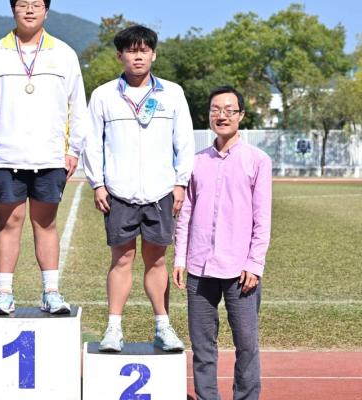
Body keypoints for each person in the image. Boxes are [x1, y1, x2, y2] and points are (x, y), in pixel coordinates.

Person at [0, 0, 86, 315]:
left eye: (37, 4)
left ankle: (51, 292)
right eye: (23, 4)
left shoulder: (64, 54)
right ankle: (4, 293)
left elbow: (77, 105)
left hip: (49, 156)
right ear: (13, 10)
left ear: (47, 11)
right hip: (5, 155)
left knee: (45, 223)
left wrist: (72, 149)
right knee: (9, 222)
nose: (30, 10)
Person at [83, 25, 194, 352]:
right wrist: (98, 183)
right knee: (121, 260)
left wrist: (180, 181)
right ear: (120, 55)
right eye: (131, 51)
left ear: (153, 54)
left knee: (157, 261)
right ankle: (113, 328)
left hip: (161, 192)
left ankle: (163, 326)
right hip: (119, 192)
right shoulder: (104, 95)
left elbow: (184, 140)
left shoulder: (172, 93)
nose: (138, 56)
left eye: (144, 50)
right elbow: (92, 142)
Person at [173, 86, 272, 400]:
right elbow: (185, 213)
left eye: (230, 110)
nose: (222, 116)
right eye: (216, 110)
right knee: (202, 345)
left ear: (241, 115)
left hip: (240, 270)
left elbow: (262, 218)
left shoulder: (258, 160)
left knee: (247, 344)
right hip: (199, 268)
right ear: (209, 115)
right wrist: (180, 258)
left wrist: (254, 264)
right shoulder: (196, 161)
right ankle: (207, 396)